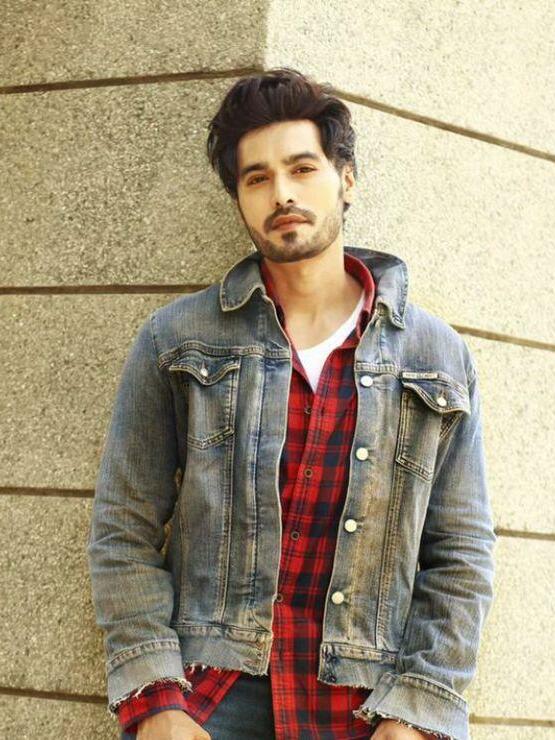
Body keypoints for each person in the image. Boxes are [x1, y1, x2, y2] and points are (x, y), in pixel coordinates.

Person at [87, 67, 497, 740]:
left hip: (365, 708)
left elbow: (461, 554)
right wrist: (156, 700)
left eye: (303, 168)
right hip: (208, 699)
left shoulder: (436, 356)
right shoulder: (177, 339)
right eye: (257, 179)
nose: (282, 193)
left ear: (346, 179)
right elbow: (122, 527)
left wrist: (416, 713)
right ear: (241, 202)